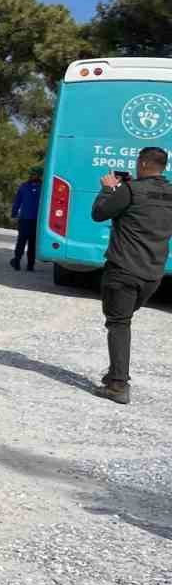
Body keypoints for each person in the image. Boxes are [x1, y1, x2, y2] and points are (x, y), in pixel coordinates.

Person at [92, 146, 172, 405]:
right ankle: (115, 374)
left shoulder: (131, 190)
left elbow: (99, 214)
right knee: (122, 320)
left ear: (145, 164)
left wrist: (107, 189)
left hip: (124, 270)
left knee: (118, 323)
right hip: (154, 274)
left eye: (139, 162)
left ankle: (118, 384)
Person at [10, 166, 42, 271]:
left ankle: (20, 261)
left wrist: (13, 213)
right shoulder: (44, 187)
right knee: (30, 242)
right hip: (35, 220)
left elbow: (17, 201)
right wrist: (14, 213)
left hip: (28, 219)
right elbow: (18, 201)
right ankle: (27, 264)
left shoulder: (25, 186)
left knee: (23, 241)